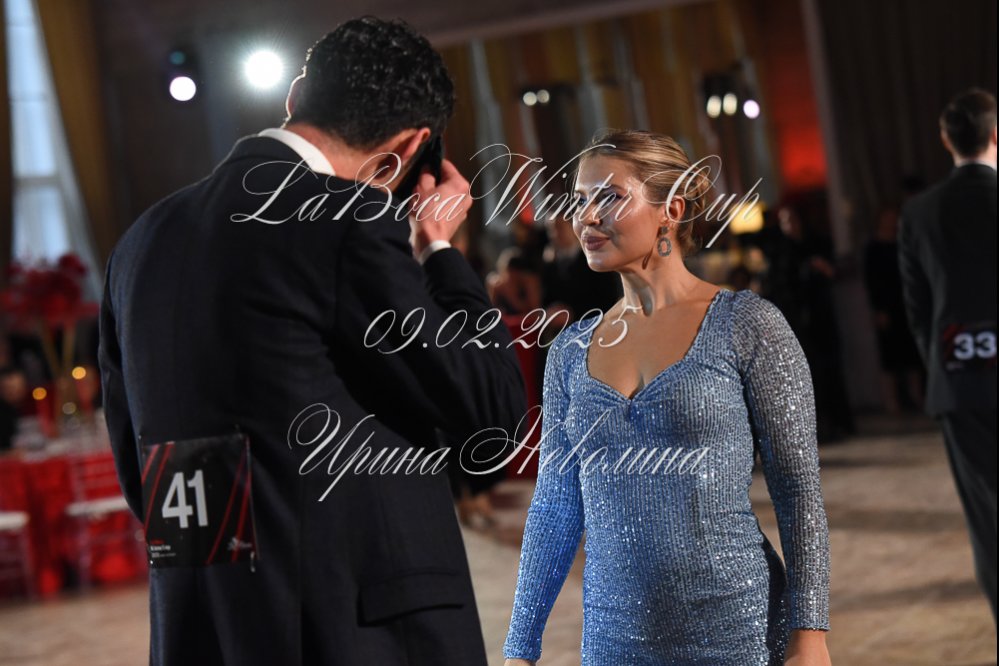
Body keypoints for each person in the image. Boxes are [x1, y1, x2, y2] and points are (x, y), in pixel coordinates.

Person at [99, 17, 526, 666]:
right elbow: (491, 411)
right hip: (353, 628)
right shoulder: (347, 218)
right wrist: (439, 252)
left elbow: (141, 468)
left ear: (295, 95)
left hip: (203, 621)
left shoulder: (140, 242)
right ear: (412, 146)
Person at [503, 129, 830, 665]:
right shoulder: (569, 351)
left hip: (741, 631)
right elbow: (555, 505)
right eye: (580, 200)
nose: (587, 217)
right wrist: (520, 649)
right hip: (614, 641)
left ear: (671, 210)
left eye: (609, 197)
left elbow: (797, 490)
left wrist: (810, 632)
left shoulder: (748, 325)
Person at [898, 87, 997, 620]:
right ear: (996, 135)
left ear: (946, 140)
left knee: (989, 523)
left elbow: (918, 312)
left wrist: (945, 362)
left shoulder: (918, 212)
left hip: (960, 380)